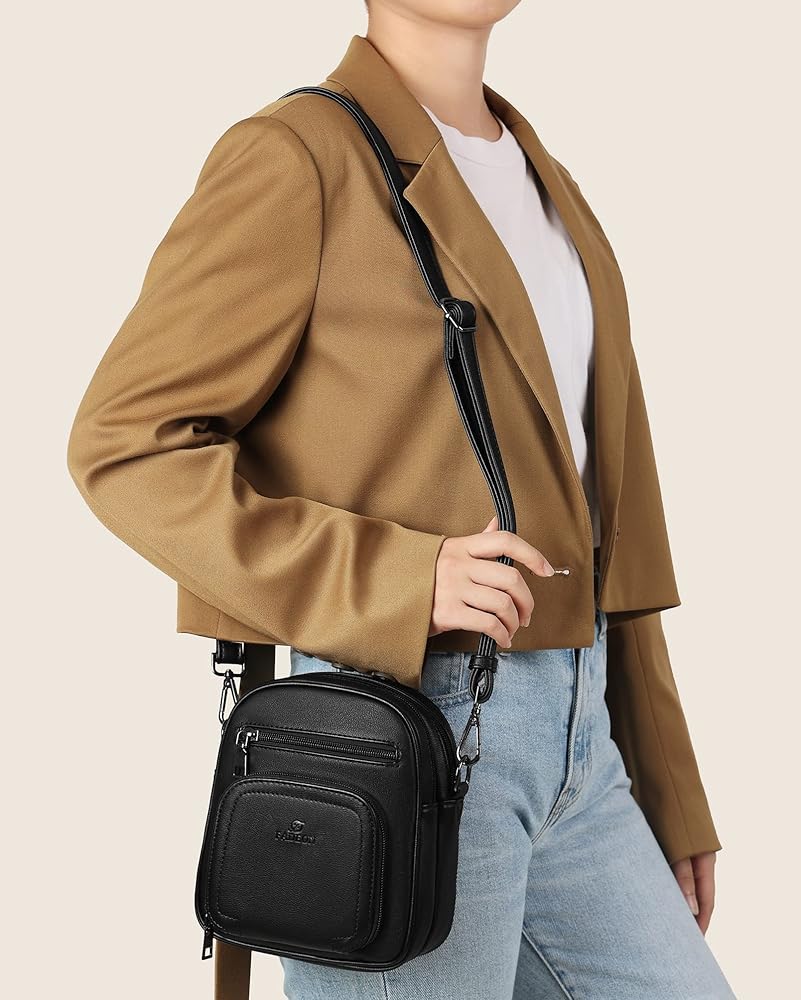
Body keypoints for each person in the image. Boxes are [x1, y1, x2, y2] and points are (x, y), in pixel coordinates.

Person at [66, 2, 736, 997]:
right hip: (400, 728)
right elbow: (126, 445)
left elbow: (610, 512)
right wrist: (397, 579)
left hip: (584, 746)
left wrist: (667, 781)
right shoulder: (299, 156)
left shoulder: (551, 186)